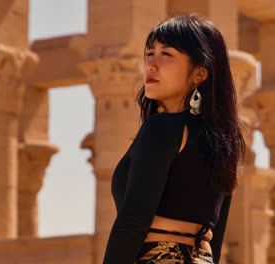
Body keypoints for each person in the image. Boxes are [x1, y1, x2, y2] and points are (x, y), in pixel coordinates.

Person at [102, 13, 246, 264]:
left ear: (199, 73)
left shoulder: (162, 128)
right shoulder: (227, 142)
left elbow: (132, 222)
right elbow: (216, 238)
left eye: (166, 54)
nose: (151, 65)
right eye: (149, 54)